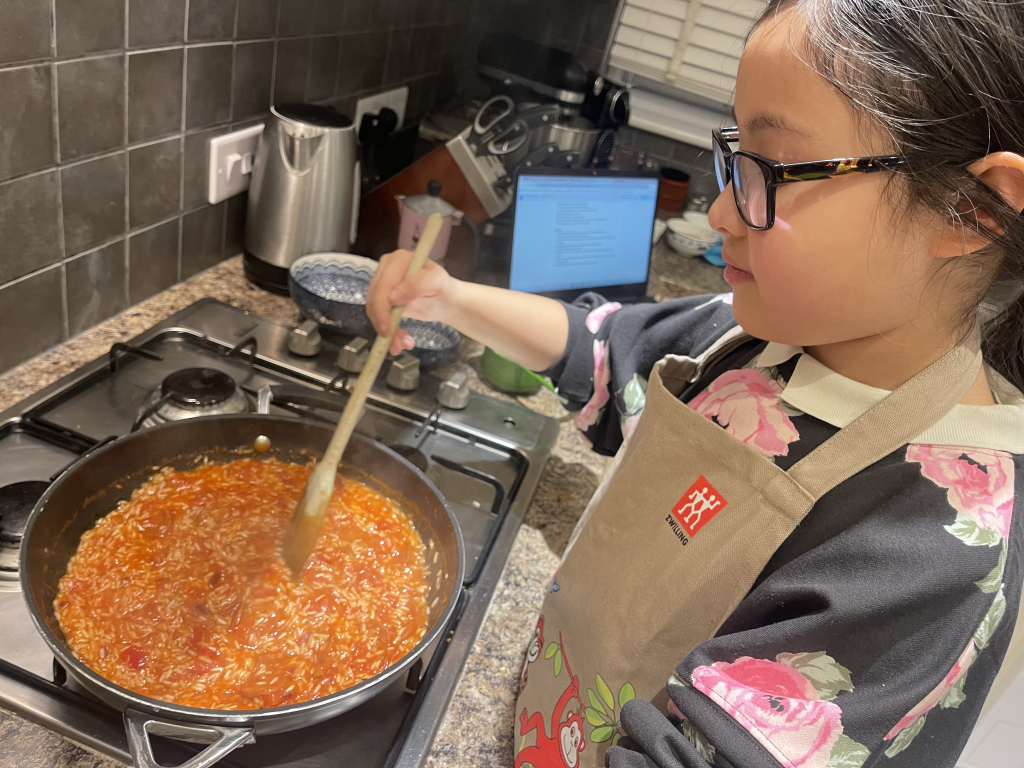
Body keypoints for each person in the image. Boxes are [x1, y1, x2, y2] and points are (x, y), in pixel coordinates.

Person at [366, 0, 1024, 763]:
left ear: (970, 210)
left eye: (767, 172)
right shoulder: (749, 336)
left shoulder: (938, 543)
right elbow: (605, 350)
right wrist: (447, 297)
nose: (718, 211)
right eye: (733, 157)